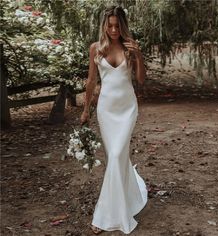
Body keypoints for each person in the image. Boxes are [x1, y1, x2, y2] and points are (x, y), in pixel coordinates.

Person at [80, 5, 148, 235]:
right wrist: (85, 109)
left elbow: (140, 80)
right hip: (106, 110)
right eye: (109, 25)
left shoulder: (131, 48)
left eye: (117, 25)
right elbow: (91, 81)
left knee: (118, 155)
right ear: (103, 26)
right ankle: (127, 200)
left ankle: (104, 217)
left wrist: (138, 55)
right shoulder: (96, 49)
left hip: (127, 108)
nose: (113, 29)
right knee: (115, 159)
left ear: (123, 26)